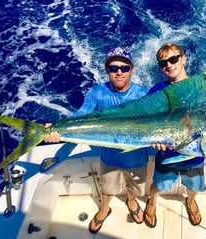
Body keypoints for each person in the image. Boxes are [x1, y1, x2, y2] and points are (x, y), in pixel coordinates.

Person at [44, 46, 149, 234]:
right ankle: (104, 209)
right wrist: (58, 128)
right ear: (107, 70)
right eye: (113, 68)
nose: (119, 72)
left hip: (138, 158)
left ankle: (131, 202)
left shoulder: (143, 94)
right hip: (109, 158)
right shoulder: (97, 92)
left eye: (124, 68)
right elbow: (82, 114)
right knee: (108, 189)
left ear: (131, 70)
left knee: (135, 189)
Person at [143, 43, 206, 228]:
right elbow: (148, 120)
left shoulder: (202, 85)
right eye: (163, 63)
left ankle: (190, 202)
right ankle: (152, 200)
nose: (169, 64)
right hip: (167, 154)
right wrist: (154, 138)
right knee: (160, 186)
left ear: (183, 59)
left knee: (193, 187)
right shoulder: (157, 89)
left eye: (173, 59)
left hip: (195, 155)